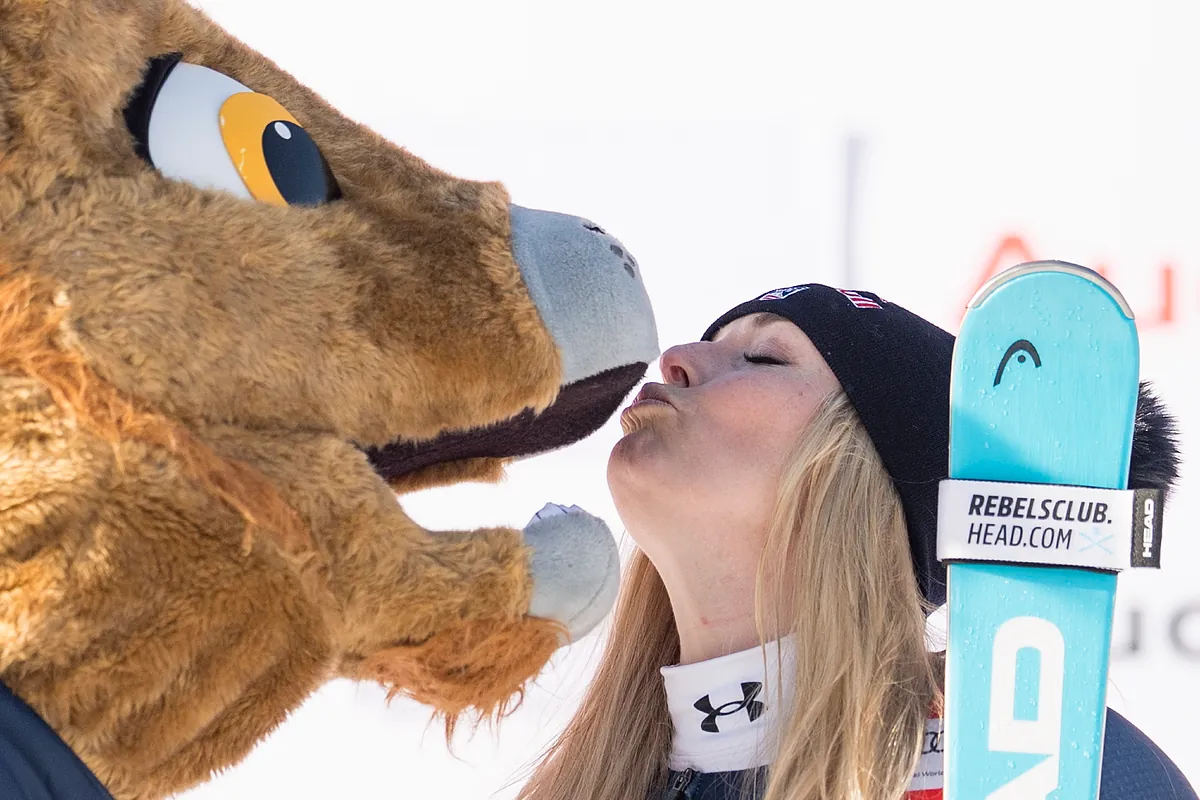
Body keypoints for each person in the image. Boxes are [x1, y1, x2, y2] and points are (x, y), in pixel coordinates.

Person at [517, 283, 1198, 800]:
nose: (675, 359)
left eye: (760, 356)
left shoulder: (1049, 763)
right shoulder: (585, 779)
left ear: (859, 474)